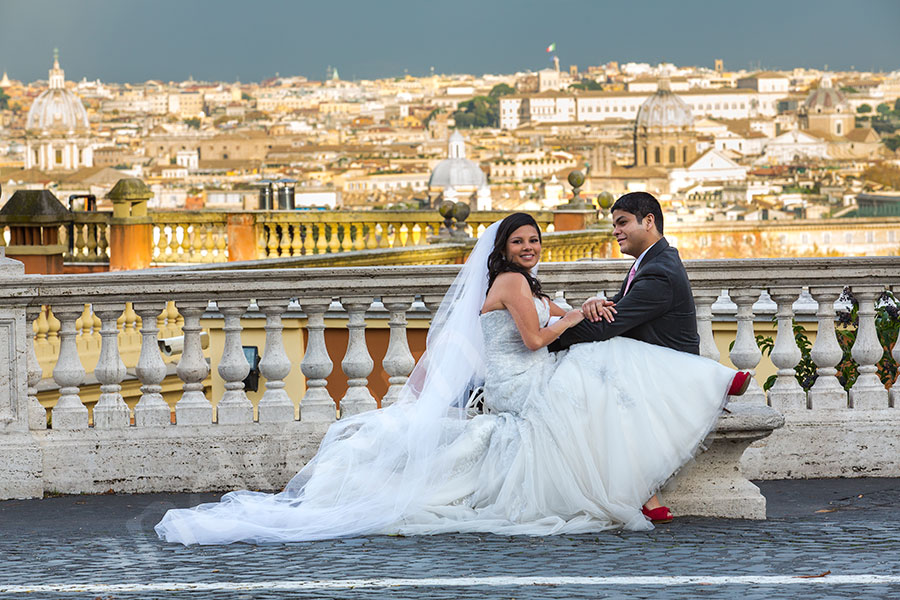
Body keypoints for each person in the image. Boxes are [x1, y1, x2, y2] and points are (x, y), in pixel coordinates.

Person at [156, 212, 738, 545]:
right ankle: (701, 395)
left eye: (535, 240)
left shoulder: (524, 283)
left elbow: (552, 319)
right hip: (521, 379)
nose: (531, 248)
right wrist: (578, 318)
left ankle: (655, 473)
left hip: (529, 371)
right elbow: (537, 339)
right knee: (605, 369)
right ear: (504, 250)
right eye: (522, 242)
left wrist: (580, 307)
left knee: (605, 368)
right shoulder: (512, 283)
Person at [548, 192, 750, 523]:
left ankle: (714, 381)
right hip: (648, 365)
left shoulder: (659, 273)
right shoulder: (651, 265)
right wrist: (592, 307)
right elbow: (613, 314)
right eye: (615, 224)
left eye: (623, 222)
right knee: (592, 375)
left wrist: (548, 341)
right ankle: (646, 495)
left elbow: (607, 328)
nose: (615, 231)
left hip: (663, 372)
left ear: (649, 221)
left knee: (588, 366)